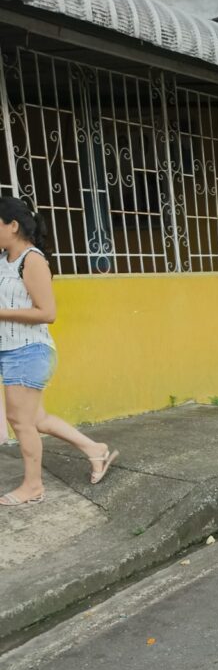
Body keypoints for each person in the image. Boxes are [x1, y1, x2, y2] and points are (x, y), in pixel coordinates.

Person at [0, 197, 118, 506]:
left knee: (20, 421)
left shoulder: (32, 260)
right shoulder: (5, 260)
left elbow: (47, 312)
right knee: (36, 418)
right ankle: (96, 449)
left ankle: (33, 486)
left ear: (12, 225)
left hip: (29, 351)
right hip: (12, 350)